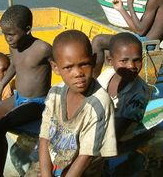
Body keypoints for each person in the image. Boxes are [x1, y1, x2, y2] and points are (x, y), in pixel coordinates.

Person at [0, 5, 52, 177]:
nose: (7, 39)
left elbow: (62, 67)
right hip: (18, 97)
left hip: (37, 103)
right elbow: (14, 66)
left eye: (11, 34)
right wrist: (0, 88)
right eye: (4, 34)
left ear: (27, 29)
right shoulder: (14, 46)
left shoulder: (43, 49)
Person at [39, 30, 117, 176]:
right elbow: (44, 137)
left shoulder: (98, 104)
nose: (78, 73)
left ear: (94, 60)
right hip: (56, 160)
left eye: (84, 64)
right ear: (55, 67)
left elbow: (86, 156)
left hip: (83, 170)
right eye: (68, 67)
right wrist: (46, 174)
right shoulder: (55, 93)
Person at [92, 0, 163, 77]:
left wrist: (130, 4)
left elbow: (140, 31)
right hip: (143, 41)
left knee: (98, 41)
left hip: (147, 44)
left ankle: (92, 84)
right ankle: (112, 80)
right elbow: (137, 30)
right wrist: (121, 9)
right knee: (107, 52)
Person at [97, 32, 149, 143]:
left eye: (137, 60)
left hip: (118, 139)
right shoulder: (106, 74)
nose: (131, 66)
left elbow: (115, 134)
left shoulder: (140, 93)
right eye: (124, 61)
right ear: (110, 61)